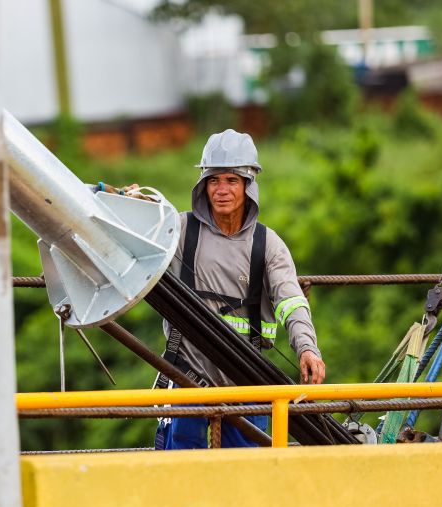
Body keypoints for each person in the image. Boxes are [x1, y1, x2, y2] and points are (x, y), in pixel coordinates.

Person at [128, 129, 325, 449]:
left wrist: (306, 347)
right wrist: (132, 205)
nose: (222, 190)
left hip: (247, 379)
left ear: (249, 185)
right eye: (214, 180)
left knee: (249, 476)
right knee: (183, 470)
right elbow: (135, 239)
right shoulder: (178, 232)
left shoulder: (267, 245)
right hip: (188, 377)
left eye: (232, 180)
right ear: (203, 185)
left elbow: (290, 300)